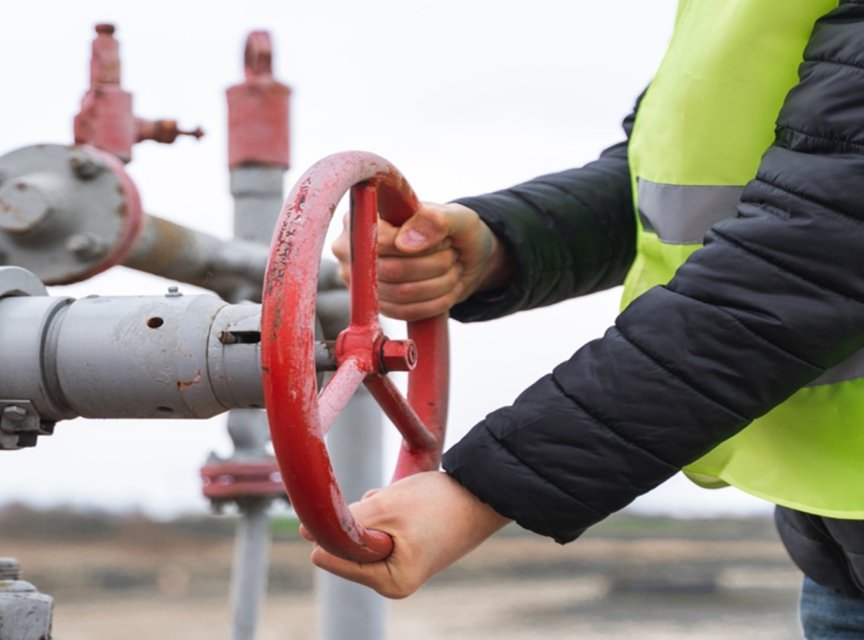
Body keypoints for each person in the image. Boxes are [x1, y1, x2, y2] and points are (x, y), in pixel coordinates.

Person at [318, 1, 864, 636]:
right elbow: (683, 172)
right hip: (834, 555)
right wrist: (503, 243)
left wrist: (481, 492)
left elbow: (808, 258)